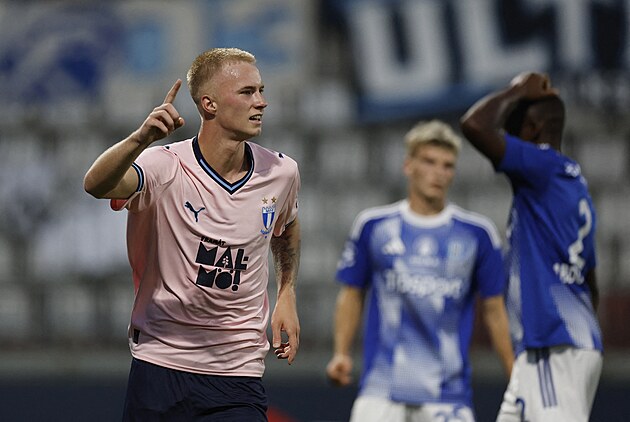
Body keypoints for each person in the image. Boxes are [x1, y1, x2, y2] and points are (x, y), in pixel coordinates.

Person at [83, 47, 301, 421]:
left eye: (261, 91)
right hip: (160, 362)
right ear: (209, 104)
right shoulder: (164, 166)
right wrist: (140, 139)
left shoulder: (281, 173)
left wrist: (286, 292)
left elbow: (288, 225)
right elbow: (96, 185)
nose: (261, 102)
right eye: (247, 92)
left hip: (237, 372)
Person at [326, 120, 514, 422]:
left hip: (448, 396)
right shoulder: (374, 226)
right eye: (429, 161)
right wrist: (341, 353)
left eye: (447, 165)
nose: (438, 172)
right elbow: (352, 293)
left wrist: (514, 378)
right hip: (381, 391)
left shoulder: (477, 234)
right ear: (408, 165)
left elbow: (495, 310)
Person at [460, 72, 603, 422]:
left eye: (513, 131)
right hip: (559, 344)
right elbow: (592, 282)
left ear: (534, 129)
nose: (508, 140)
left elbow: (475, 125)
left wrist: (517, 90)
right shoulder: (572, 186)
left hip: (552, 345)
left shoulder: (541, 165)